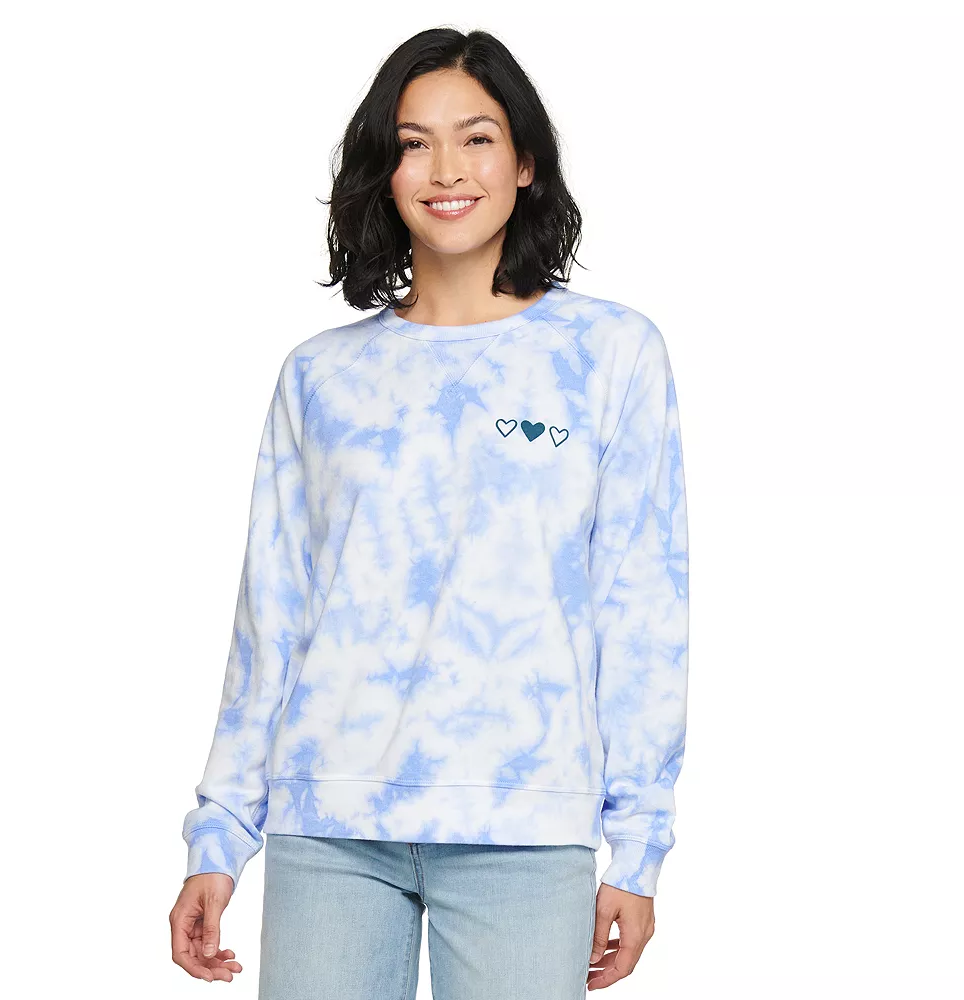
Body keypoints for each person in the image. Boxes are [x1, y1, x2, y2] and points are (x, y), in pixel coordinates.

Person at [169, 26, 689, 998]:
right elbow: (270, 621)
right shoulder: (320, 377)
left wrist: (639, 847)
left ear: (525, 162)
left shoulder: (610, 356)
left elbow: (642, 611)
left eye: (477, 137)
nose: (446, 168)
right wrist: (219, 834)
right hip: (330, 827)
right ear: (385, 169)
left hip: (523, 826)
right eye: (414, 143)